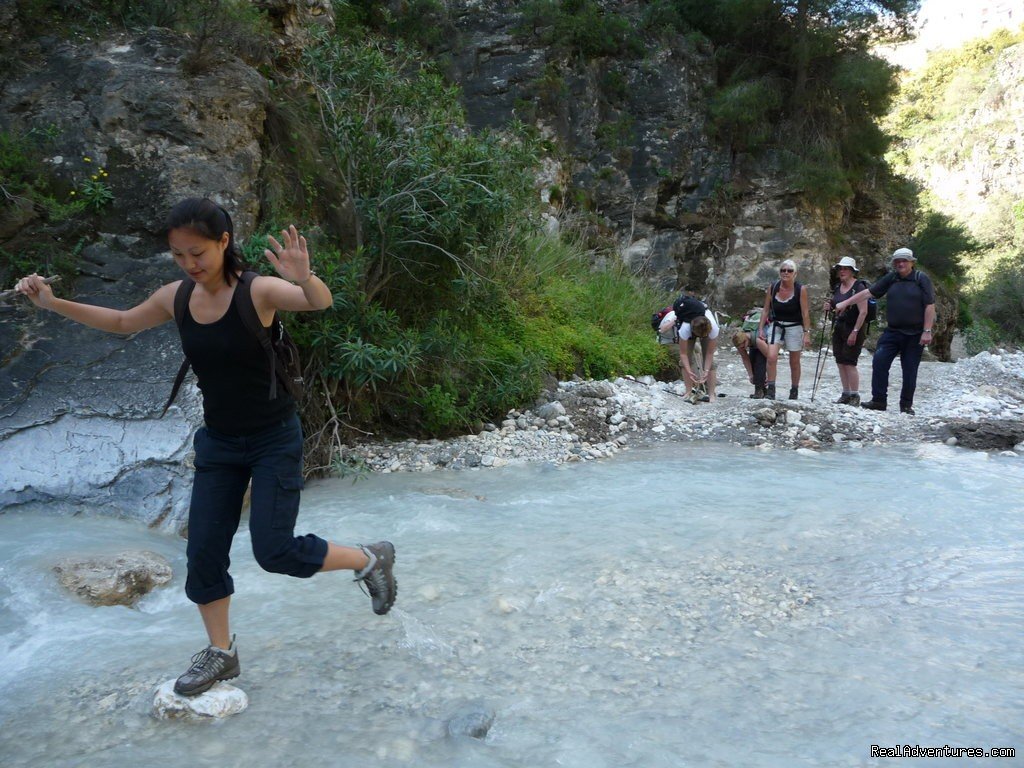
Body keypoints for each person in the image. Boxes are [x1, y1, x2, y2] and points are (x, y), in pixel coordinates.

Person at [13, 198, 397, 697]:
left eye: (197, 252)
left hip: (273, 440)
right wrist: (51, 304)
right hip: (218, 444)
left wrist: (304, 276)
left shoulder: (257, 290)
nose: (189, 264)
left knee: (274, 551)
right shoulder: (176, 297)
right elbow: (123, 322)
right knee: (203, 554)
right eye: (178, 256)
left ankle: (368, 557)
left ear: (223, 242)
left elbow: (316, 302)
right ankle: (222, 653)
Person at [834, 247, 936, 415]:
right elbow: (868, 293)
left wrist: (927, 330)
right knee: (879, 361)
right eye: (897, 261)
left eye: (904, 260)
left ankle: (906, 405)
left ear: (912, 262)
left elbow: (929, 305)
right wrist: (845, 303)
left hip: (915, 333)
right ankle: (879, 401)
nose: (901, 264)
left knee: (910, 369)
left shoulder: (921, 279)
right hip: (893, 331)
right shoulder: (892, 278)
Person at [757, 259, 811, 400]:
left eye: (789, 270)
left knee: (794, 361)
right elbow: (765, 309)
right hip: (776, 325)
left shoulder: (800, 290)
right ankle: (771, 389)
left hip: (795, 326)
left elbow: (805, 313)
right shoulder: (773, 287)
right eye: (783, 270)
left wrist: (806, 333)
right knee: (771, 356)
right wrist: (761, 328)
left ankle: (794, 390)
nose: (785, 273)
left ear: (795, 274)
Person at [823, 256, 869, 406]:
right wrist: (829, 306)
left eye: (845, 269)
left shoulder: (859, 288)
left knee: (850, 362)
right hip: (839, 327)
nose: (842, 271)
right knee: (840, 360)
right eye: (840, 269)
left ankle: (854, 395)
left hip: (853, 327)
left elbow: (863, 312)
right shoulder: (838, 287)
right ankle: (846, 393)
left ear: (852, 272)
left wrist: (855, 331)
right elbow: (836, 305)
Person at [672, 293, 719, 401]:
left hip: (706, 331)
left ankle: (712, 394)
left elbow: (709, 353)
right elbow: (683, 354)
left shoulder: (714, 329)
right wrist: (689, 371)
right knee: (685, 361)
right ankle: (688, 391)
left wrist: (706, 371)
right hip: (690, 332)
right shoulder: (685, 329)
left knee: (710, 363)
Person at [732, 329, 769, 398]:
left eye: (743, 346)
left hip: (764, 344)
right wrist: (750, 374)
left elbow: (770, 358)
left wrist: (769, 374)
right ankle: (762, 390)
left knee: (759, 364)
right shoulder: (739, 342)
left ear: (746, 340)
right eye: (740, 347)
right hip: (753, 345)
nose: (743, 348)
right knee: (752, 361)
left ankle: (759, 390)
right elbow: (745, 359)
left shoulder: (758, 340)